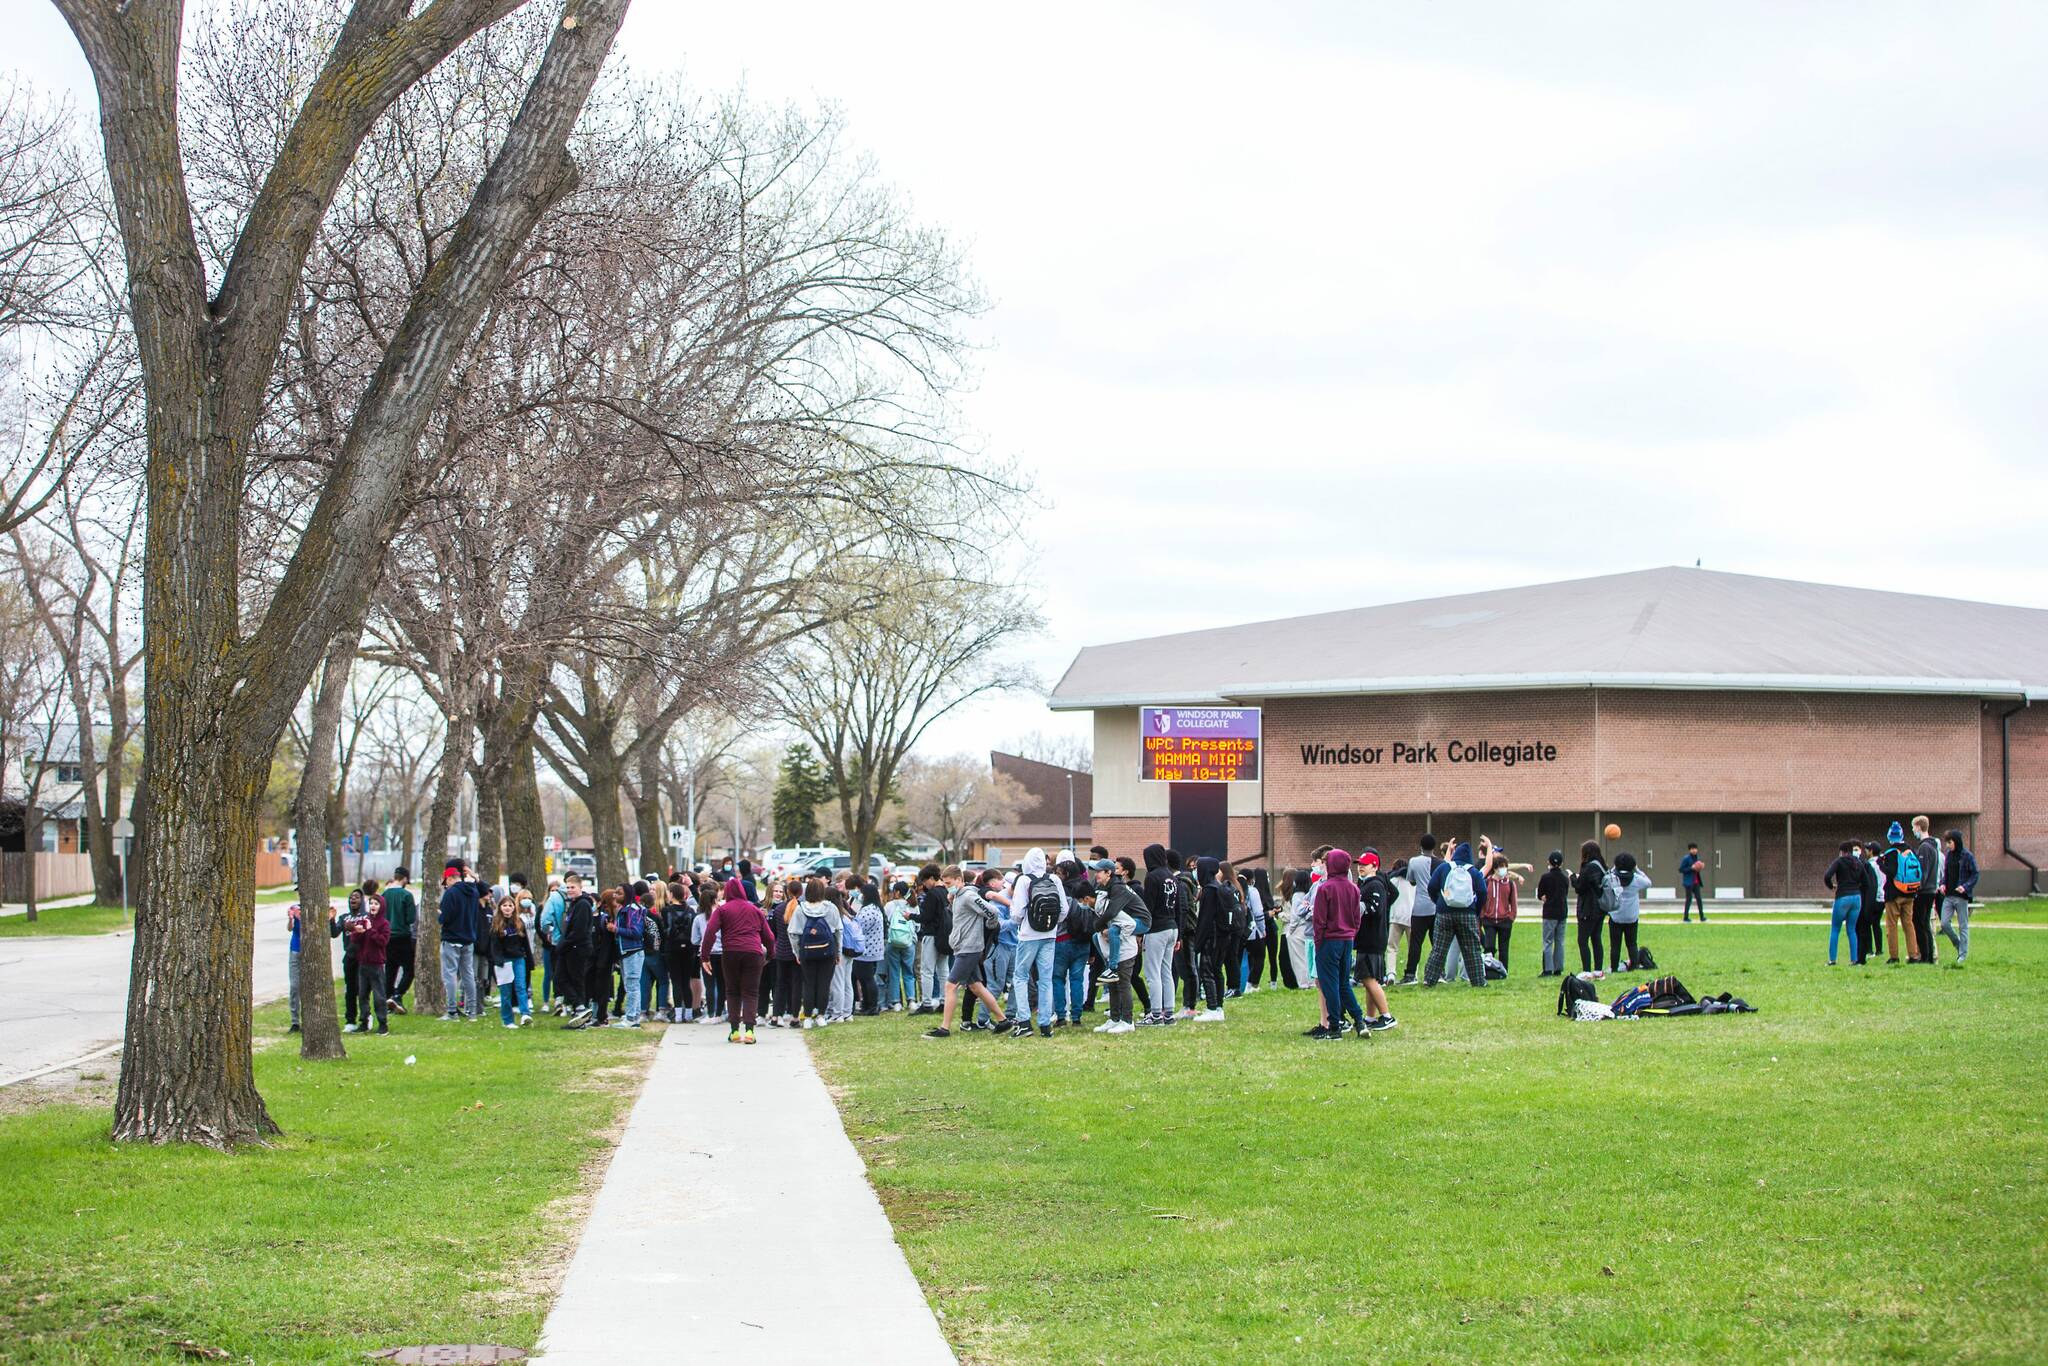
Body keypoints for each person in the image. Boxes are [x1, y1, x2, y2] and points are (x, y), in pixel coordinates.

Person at [923, 868, 1013, 1038]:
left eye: (949, 883)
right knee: (976, 987)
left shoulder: (968, 896)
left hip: (969, 948)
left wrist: (992, 926)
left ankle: (945, 1028)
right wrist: (951, 901)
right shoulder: (959, 896)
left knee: (950, 986)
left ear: (959, 880)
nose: (947, 887)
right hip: (963, 947)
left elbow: (992, 911)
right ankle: (1003, 1020)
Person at [700, 877, 771, 1042]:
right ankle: (750, 1031)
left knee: (732, 991)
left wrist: (705, 956)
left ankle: (734, 1031)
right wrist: (770, 954)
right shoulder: (754, 910)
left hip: (730, 952)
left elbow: (710, 932)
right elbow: (768, 936)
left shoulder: (722, 910)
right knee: (751, 992)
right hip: (753, 952)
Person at [1308, 849, 1366, 1038]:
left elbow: (1319, 920)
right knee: (1343, 983)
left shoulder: (1326, 888)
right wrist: (1351, 933)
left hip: (1329, 940)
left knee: (1329, 984)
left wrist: (1319, 943)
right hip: (1347, 939)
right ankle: (1359, 1020)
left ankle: (1334, 1026)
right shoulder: (1353, 888)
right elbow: (1357, 918)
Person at [1007, 847, 1065, 1038]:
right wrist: (1051, 924)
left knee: (1021, 977)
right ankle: (1045, 1024)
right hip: (1050, 934)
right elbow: (1063, 910)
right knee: (1046, 980)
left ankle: (1024, 1022)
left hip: (1028, 936)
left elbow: (1016, 914)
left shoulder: (1024, 880)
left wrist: (1024, 922)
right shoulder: (1054, 879)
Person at [1422, 842, 1487, 987]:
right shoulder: (1473, 871)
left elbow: (1431, 886)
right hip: (1467, 913)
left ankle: (1429, 979)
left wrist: (1439, 902)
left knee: (1439, 948)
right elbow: (1482, 892)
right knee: (1472, 949)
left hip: (1444, 913)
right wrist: (1475, 909)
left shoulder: (1444, 868)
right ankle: (1478, 981)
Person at [1138, 844, 1182, 1027]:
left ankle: (1156, 1015)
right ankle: (1168, 1014)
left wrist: (1141, 931)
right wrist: (1178, 934)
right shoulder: (1172, 876)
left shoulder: (1152, 877)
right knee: (1166, 972)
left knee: (1152, 972)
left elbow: (1148, 906)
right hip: (1172, 927)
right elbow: (1179, 906)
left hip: (1157, 928)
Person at [1351, 849, 1395, 1031]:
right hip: (1368, 938)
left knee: (1368, 978)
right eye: (1359, 864)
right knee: (1369, 978)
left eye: (1365, 865)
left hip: (1372, 938)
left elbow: (1374, 909)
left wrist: (1356, 909)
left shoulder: (1374, 885)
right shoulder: (1366, 884)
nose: (1360, 867)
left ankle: (1387, 1016)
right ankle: (1370, 1017)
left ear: (1375, 866)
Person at [791, 881, 842, 1029]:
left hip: (807, 951)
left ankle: (807, 1016)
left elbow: (793, 932)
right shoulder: (831, 908)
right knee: (824, 984)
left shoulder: (800, 909)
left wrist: (797, 952)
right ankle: (821, 1015)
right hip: (827, 951)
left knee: (808, 983)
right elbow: (838, 931)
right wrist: (838, 952)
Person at [438, 861, 482, 1021]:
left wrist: (439, 915)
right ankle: (472, 1011)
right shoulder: (473, 892)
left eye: (445, 883)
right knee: (468, 974)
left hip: (451, 938)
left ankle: (452, 1011)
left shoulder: (450, 894)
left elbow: (445, 917)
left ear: (449, 879)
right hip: (468, 938)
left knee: (450, 975)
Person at [1396, 834, 1440, 986]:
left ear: (1420, 846)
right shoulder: (1440, 863)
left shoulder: (1414, 861)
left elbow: (1412, 881)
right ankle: (1439, 972)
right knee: (1437, 943)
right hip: (1435, 907)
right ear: (1434, 847)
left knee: (1415, 943)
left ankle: (1410, 974)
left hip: (1419, 908)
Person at [1189, 857, 1231, 1021]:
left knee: (1207, 972)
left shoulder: (1209, 890)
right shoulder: (1218, 887)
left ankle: (1212, 1007)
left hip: (1210, 938)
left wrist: (1198, 943)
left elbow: (1205, 919)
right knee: (1217, 971)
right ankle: (1218, 1006)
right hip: (1222, 936)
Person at [1877, 821, 1921, 965]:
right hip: (1909, 893)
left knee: (1892, 925)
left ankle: (1894, 956)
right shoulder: (1910, 851)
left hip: (1894, 894)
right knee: (1908, 924)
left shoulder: (1891, 853)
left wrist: (1880, 864)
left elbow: (1891, 871)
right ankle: (1913, 955)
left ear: (1890, 837)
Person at [910, 864, 950, 1013]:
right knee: (943, 970)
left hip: (931, 934)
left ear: (932, 878)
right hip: (945, 934)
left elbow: (926, 917)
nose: (924, 884)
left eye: (925, 881)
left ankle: (926, 1003)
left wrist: (911, 916)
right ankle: (944, 1001)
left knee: (927, 970)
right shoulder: (946, 891)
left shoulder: (932, 894)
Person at [557, 874, 595, 1027]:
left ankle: (580, 1007)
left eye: (573, 887)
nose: (570, 890)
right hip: (569, 948)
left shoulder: (583, 905)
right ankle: (578, 1008)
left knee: (575, 979)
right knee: (561, 978)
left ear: (580, 887)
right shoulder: (573, 904)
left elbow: (579, 931)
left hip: (577, 949)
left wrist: (564, 944)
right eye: (567, 887)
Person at [1937, 829, 1978, 966]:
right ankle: (1958, 944)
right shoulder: (1948, 855)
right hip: (1948, 896)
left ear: (1956, 841)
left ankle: (1962, 955)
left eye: (1950, 842)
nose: (1947, 845)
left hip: (1961, 896)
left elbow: (1975, 874)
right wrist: (1943, 884)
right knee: (1944, 923)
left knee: (1963, 925)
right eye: (1947, 843)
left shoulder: (1967, 856)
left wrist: (1965, 887)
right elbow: (1946, 874)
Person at [491, 896, 534, 1028]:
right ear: (500, 908)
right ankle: (508, 1020)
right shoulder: (496, 923)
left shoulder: (519, 922)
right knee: (506, 992)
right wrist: (498, 961)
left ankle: (525, 1014)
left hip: (518, 959)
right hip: (504, 961)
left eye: (510, 905)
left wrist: (529, 961)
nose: (507, 908)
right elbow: (494, 945)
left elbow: (525, 943)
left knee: (521, 987)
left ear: (514, 907)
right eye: (504, 905)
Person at [382, 867, 418, 1014]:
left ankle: (388, 998)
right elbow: (411, 919)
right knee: (410, 969)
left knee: (390, 970)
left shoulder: (384, 895)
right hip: (402, 936)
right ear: (404, 879)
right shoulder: (407, 895)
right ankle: (398, 994)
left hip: (387, 937)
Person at [334, 886, 370, 1029]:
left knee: (362, 989)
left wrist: (355, 928)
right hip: (349, 957)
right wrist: (331, 919)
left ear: (362, 900)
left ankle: (365, 1018)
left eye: (356, 897)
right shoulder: (344, 918)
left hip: (364, 957)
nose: (353, 899)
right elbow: (334, 932)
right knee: (350, 990)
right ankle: (350, 1020)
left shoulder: (367, 916)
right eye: (351, 897)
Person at [1824, 841, 1864, 965]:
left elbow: (1827, 876)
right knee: (1851, 930)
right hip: (1856, 898)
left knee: (1835, 929)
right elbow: (1866, 880)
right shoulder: (1858, 863)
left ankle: (1832, 959)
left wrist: (1832, 886)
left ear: (1841, 851)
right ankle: (1854, 959)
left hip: (1843, 897)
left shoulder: (1839, 861)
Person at [1608, 853, 1650, 972]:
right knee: (1632, 943)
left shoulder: (1613, 878)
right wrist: (1637, 870)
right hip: (1631, 916)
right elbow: (1648, 882)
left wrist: (1613, 868)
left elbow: (1606, 876)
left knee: (1615, 945)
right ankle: (1634, 966)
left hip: (1616, 915)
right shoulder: (1636, 879)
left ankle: (1614, 967)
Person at [663, 881, 697, 1023]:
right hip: (688, 949)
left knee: (676, 981)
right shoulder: (691, 911)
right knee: (686, 981)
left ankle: (677, 1014)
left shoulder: (666, 911)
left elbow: (664, 929)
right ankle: (688, 1013)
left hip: (672, 948)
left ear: (671, 894)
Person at [1911, 816, 1942, 965]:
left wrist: (1917, 888)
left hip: (1924, 891)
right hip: (1931, 890)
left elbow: (1923, 871)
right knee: (1924, 923)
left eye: (1913, 827)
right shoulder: (1933, 846)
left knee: (1919, 923)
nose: (1912, 831)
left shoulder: (1924, 847)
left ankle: (1925, 956)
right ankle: (1928, 956)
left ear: (1918, 826)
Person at [1480, 852, 1518, 972]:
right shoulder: (1487, 883)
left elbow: (1513, 902)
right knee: (1489, 946)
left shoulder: (1510, 884)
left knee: (1504, 948)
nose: (1503, 870)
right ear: (1495, 869)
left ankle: (1503, 970)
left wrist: (1511, 917)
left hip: (1505, 920)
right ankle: (1488, 969)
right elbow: (1482, 901)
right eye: (1501, 867)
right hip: (1489, 920)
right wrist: (1483, 916)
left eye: (1505, 867)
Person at [1573, 841, 1607, 974]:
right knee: (1596, 938)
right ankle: (1598, 970)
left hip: (1588, 908)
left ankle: (1587, 971)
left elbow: (1581, 887)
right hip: (1600, 908)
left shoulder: (1588, 868)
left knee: (1582, 940)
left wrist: (1573, 878)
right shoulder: (1602, 866)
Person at [881, 881, 916, 1010]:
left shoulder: (889, 905)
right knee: (908, 972)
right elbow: (917, 925)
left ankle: (896, 1002)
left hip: (893, 941)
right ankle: (911, 999)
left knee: (894, 972)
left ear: (897, 892)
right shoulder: (913, 905)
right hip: (909, 942)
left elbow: (885, 921)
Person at [1536, 851, 1570, 976]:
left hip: (1550, 912)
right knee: (1560, 941)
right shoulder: (1565, 878)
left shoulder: (1545, 877)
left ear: (1549, 862)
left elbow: (1540, 894)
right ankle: (1558, 968)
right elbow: (1565, 893)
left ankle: (1547, 969)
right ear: (1561, 864)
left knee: (1548, 941)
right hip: (1562, 911)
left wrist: (1545, 898)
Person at [537, 875, 566, 1012]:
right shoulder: (543, 906)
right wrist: (546, 937)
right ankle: (545, 1001)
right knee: (548, 973)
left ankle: (559, 999)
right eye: (551, 890)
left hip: (558, 943)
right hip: (548, 945)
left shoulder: (562, 904)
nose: (554, 893)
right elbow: (540, 925)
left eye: (556, 890)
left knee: (558, 973)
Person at [286, 900, 305, 1033]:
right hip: (295, 949)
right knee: (294, 986)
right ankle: (295, 1022)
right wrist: (291, 919)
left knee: (308, 988)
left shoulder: (314, 906)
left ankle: (308, 1020)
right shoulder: (294, 908)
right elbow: (290, 928)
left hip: (309, 951)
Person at [1678, 843, 1706, 922]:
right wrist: (1691, 868)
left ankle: (1702, 917)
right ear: (1689, 850)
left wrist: (1700, 866)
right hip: (1689, 882)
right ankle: (1685, 917)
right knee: (1689, 899)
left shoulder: (1697, 858)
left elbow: (1697, 868)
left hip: (1696, 882)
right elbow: (1681, 869)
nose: (1694, 850)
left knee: (1699, 899)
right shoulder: (1686, 858)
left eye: (1695, 849)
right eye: (1692, 849)